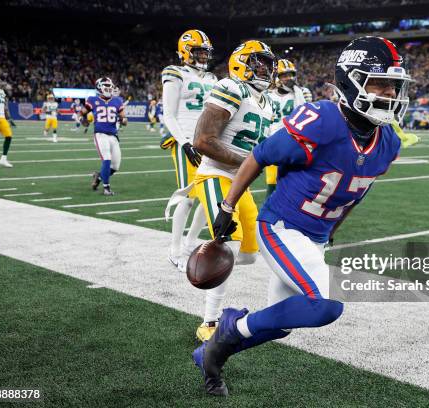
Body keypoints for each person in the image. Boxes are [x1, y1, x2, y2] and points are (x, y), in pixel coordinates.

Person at [192, 36, 413, 396]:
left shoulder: (389, 143)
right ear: (350, 80)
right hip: (281, 226)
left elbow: (358, 190)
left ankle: (208, 355)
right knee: (324, 306)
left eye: (394, 84)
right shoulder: (323, 119)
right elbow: (260, 155)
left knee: (281, 323)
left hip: (314, 236)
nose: (389, 92)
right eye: (379, 82)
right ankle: (229, 326)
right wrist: (228, 206)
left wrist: (332, 230)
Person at [190, 40, 276, 342]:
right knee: (230, 244)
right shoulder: (231, 87)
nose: (264, 68)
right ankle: (209, 322)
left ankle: (201, 260)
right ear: (240, 62)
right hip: (215, 174)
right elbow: (202, 140)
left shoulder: (268, 101)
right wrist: (250, 162)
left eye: (267, 63)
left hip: (240, 181)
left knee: (250, 255)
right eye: (257, 61)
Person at [159, 29, 218, 280]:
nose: (203, 56)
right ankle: (175, 249)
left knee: (209, 195)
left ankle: (190, 241)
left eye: (206, 52)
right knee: (187, 196)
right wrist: (184, 142)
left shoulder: (213, 78)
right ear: (186, 51)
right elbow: (168, 113)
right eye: (199, 51)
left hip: (208, 142)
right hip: (185, 140)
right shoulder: (175, 72)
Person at [264, 59, 308, 198]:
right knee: (272, 182)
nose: (289, 79)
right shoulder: (267, 96)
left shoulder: (302, 92)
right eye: (284, 76)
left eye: (291, 75)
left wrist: (296, 91)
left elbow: (303, 112)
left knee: (294, 182)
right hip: (273, 142)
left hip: (294, 142)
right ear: (276, 78)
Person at [80, 77, 127, 196]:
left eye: (110, 87)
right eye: (106, 87)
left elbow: (123, 117)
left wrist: (124, 120)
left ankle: (99, 177)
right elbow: (82, 114)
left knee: (115, 166)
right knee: (106, 159)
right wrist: (83, 120)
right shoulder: (92, 100)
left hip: (113, 135)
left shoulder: (117, 101)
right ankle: (106, 188)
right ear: (99, 88)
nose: (108, 89)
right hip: (100, 134)